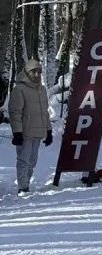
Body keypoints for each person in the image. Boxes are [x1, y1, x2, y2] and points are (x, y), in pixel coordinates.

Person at [8, 59, 52, 195]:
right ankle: (23, 187)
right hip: (25, 132)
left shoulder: (42, 89)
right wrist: (17, 132)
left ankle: (26, 182)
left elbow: (45, 111)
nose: (37, 74)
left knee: (32, 161)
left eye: (39, 71)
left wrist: (48, 130)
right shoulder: (19, 89)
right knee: (24, 160)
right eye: (34, 71)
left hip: (38, 131)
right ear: (27, 72)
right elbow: (15, 112)